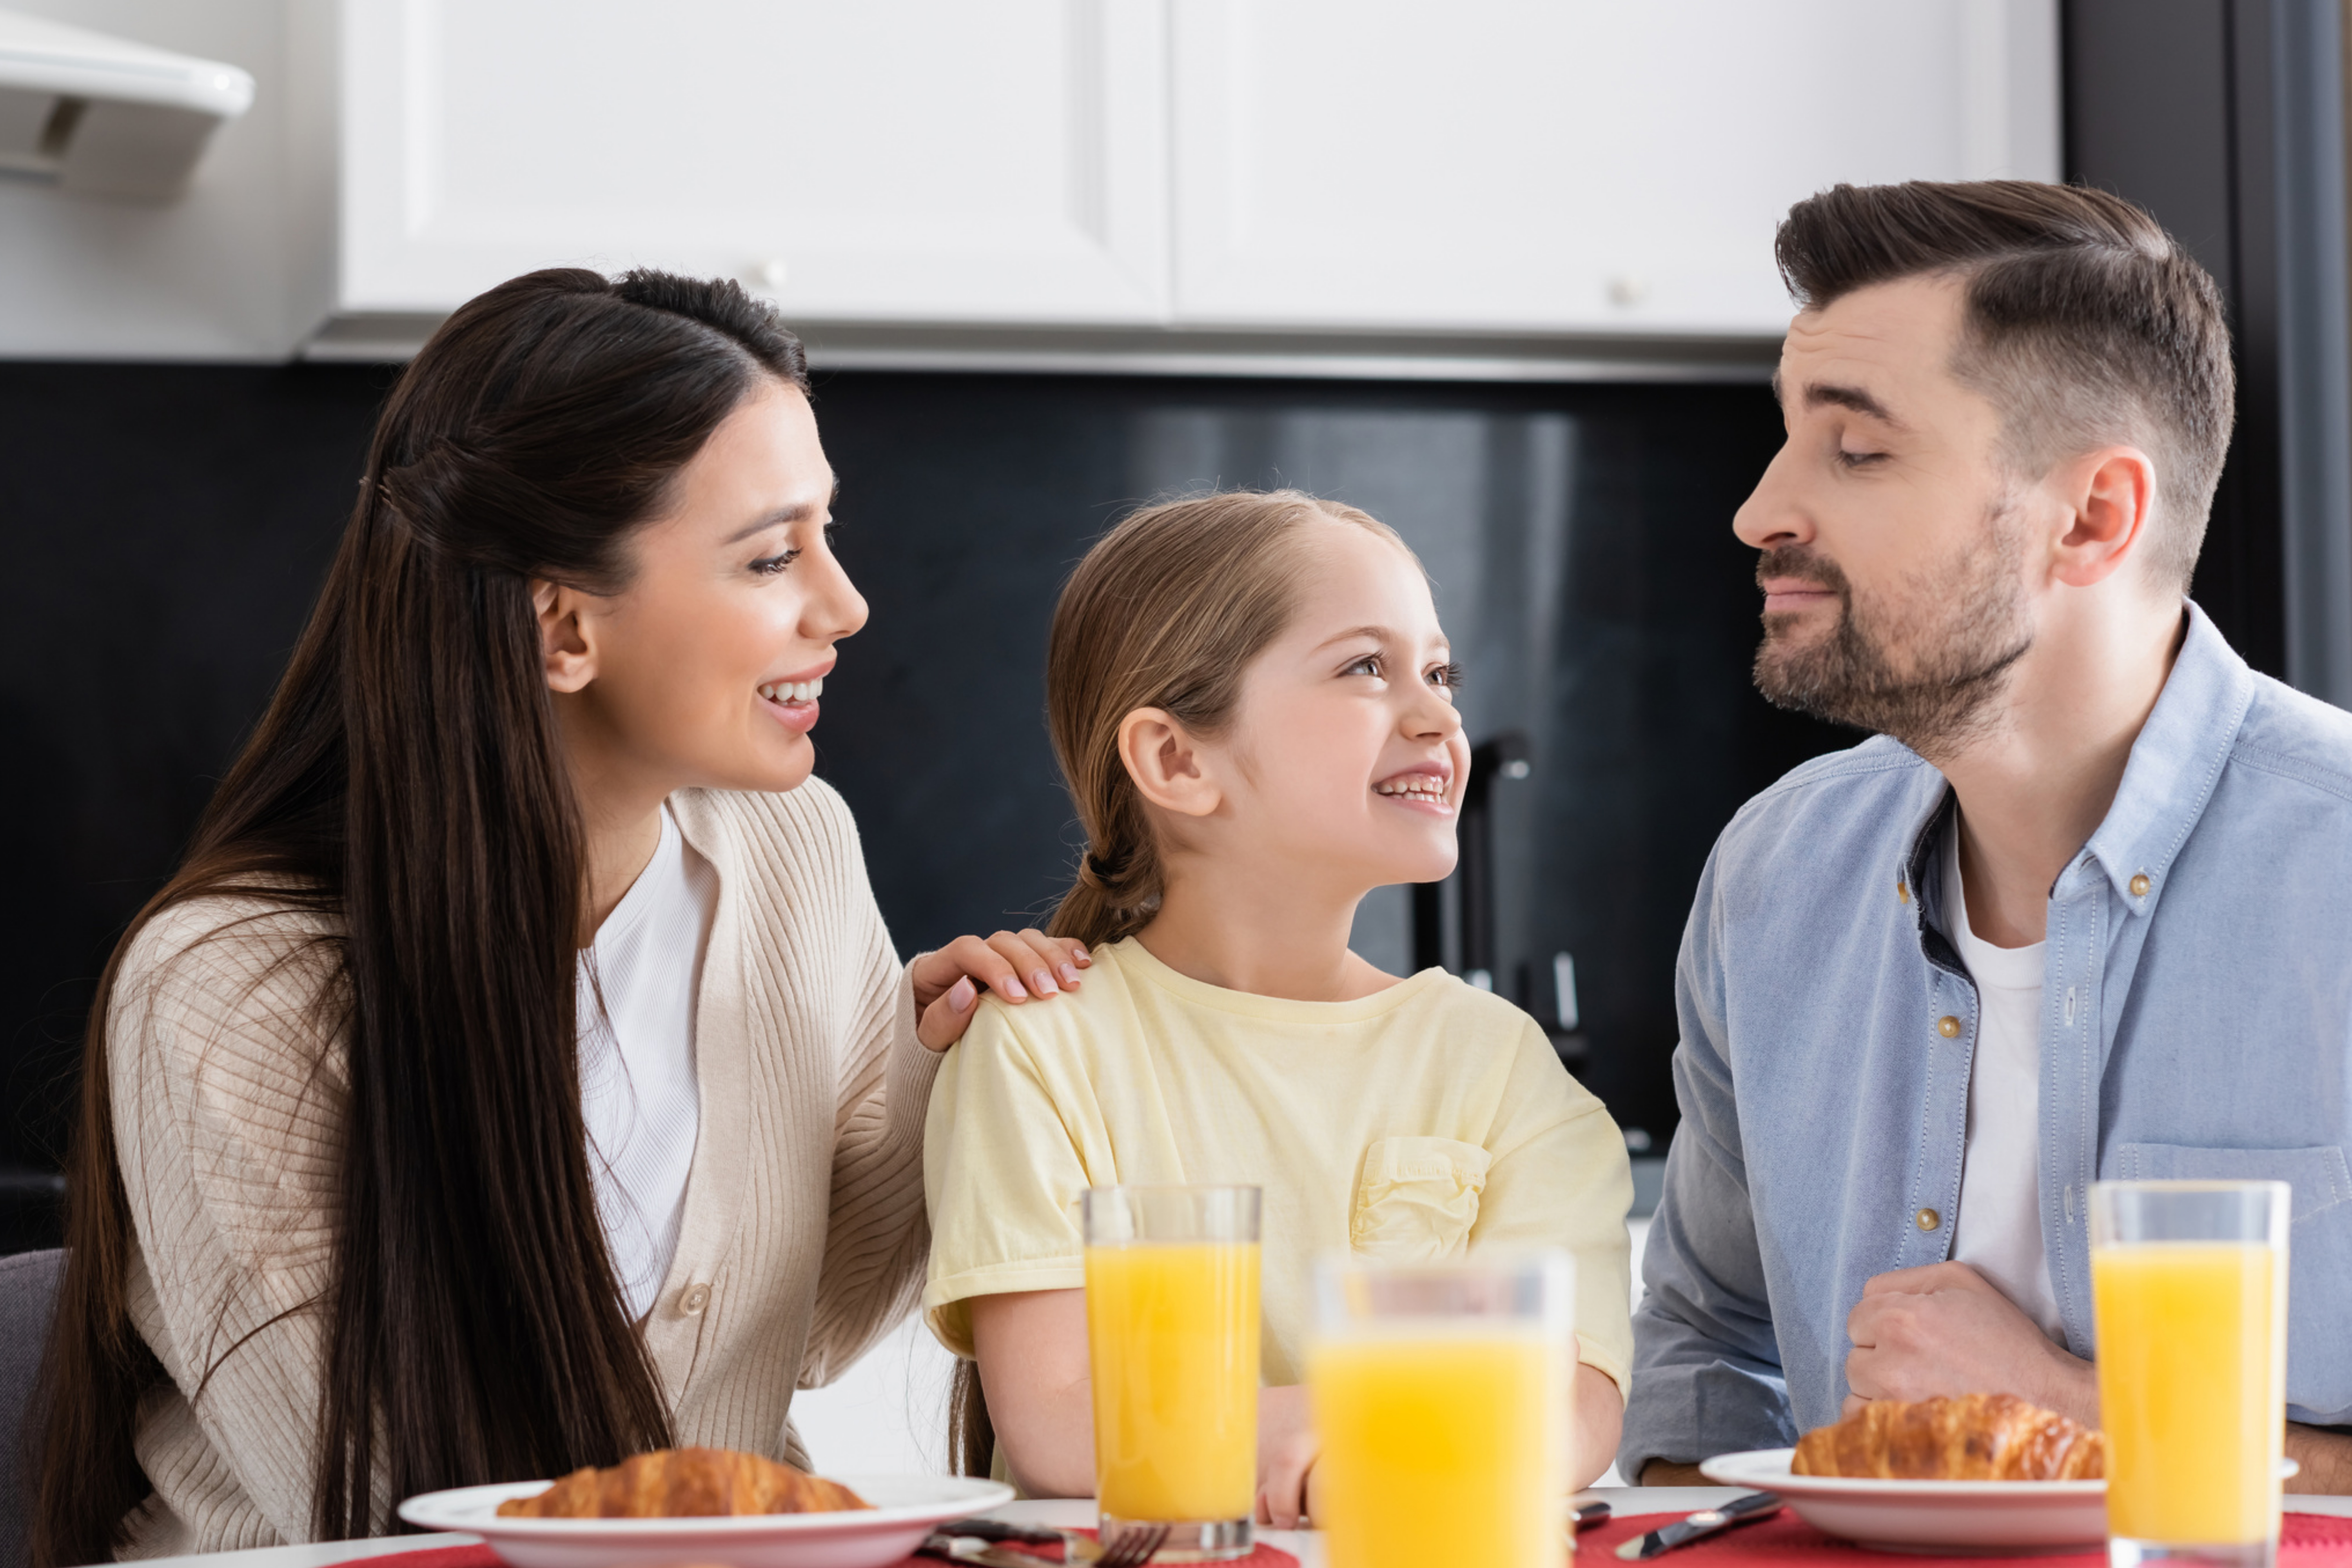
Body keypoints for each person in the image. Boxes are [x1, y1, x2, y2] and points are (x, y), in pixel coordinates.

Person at [33, 269, 1085, 1564]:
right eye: (771, 556)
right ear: (563, 628)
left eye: (827, 534)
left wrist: (943, 1075)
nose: (845, 606)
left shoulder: (795, 850)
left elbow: (808, 1329)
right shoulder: (230, 986)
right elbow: (378, 1508)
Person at [1619, 181, 2352, 1490]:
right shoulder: (1773, 879)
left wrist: (2066, 1409)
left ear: (2093, 520)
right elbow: (1706, 1346)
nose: (1760, 511)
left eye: (1856, 452)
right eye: (1786, 440)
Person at [920, 490, 1635, 1527]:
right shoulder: (1039, 1047)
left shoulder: (1501, 1065)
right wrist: (1395, 1424)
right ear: (1176, 760)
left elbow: (1572, 1407)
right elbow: (1064, 1426)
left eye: (1440, 673)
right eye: (1365, 668)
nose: (1439, 716)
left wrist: (1325, 1434)